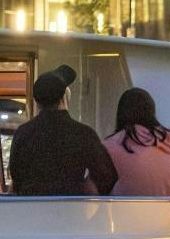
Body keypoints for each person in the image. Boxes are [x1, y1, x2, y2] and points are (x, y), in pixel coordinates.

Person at [7, 66, 117, 196]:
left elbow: (16, 176)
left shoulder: (23, 133)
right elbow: (107, 177)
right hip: (71, 210)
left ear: (37, 101)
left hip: (33, 210)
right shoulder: (84, 134)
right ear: (62, 98)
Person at [105, 86, 170, 196]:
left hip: (125, 212)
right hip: (169, 211)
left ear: (121, 113)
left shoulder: (110, 145)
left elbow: (93, 190)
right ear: (152, 111)